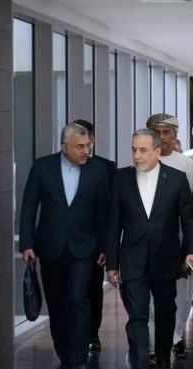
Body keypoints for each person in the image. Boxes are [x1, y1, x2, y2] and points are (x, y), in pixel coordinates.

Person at [106, 128, 193, 369]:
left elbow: (189, 220)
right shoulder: (121, 179)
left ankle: (162, 358)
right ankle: (139, 368)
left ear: (157, 151)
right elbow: (113, 224)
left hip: (166, 258)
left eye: (143, 150)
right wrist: (112, 264)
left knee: (165, 311)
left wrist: (192, 251)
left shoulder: (176, 179)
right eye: (133, 150)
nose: (137, 155)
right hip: (132, 258)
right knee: (137, 315)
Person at [19, 122, 109, 369]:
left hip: (84, 248)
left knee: (77, 299)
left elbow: (104, 211)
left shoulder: (97, 170)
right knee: (57, 304)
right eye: (80, 147)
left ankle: (78, 360)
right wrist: (26, 243)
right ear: (64, 147)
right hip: (51, 247)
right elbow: (29, 207)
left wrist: (105, 247)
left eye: (88, 146)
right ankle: (66, 360)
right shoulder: (42, 167)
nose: (86, 151)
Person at [146, 113, 193, 362]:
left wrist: (191, 249)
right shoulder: (142, 161)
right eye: (156, 132)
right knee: (151, 300)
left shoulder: (186, 165)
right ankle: (154, 346)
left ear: (175, 135)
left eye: (166, 132)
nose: (162, 137)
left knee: (181, 297)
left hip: (179, 243)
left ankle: (176, 337)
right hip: (149, 245)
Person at [73, 119, 116, 352]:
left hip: (93, 242)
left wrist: (106, 246)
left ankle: (92, 333)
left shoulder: (105, 167)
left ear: (92, 140)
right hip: (66, 241)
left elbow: (108, 210)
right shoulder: (56, 166)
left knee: (92, 290)